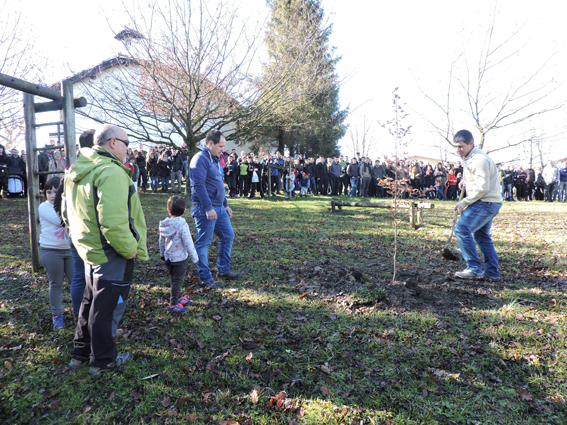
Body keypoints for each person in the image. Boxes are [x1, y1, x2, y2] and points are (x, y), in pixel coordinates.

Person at [66, 123, 148, 375]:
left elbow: (66, 210)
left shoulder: (79, 168)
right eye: (126, 143)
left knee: (90, 303)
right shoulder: (110, 171)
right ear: (113, 142)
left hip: (90, 249)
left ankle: (81, 354)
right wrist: (129, 248)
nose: (128, 149)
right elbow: (113, 222)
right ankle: (102, 360)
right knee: (106, 307)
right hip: (111, 252)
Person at [189, 129, 241, 289]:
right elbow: (198, 186)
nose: (223, 150)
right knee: (204, 243)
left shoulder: (216, 160)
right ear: (210, 143)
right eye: (220, 146)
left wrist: (225, 205)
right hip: (205, 209)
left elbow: (218, 184)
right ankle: (205, 278)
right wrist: (208, 207)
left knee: (228, 235)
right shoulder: (200, 159)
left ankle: (223, 270)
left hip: (219, 208)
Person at [452, 129, 503, 280]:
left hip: (485, 202)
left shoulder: (479, 160)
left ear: (471, 143)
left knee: (461, 229)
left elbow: (483, 188)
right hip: (489, 201)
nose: (458, 150)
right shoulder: (471, 157)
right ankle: (492, 272)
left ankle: (473, 268)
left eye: (461, 146)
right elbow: (479, 178)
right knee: (482, 236)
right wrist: (466, 181)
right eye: (456, 146)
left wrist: (463, 202)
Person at [39, 177, 74, 329]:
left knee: (77, 282)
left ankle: (81, 311)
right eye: (49, 192)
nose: (53, 195)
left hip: (70, 250)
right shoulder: (44, 207)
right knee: (56, 284)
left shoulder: (70, 204)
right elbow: (61, 220)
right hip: (51, 250)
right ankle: (57, 316)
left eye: (56, 191)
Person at [159, 196, 199, 313]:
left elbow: (161, 241)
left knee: (174, 279)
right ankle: (173, 304)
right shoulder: (182, 224)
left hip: (168, 257)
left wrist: (162, 254)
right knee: (178, 280)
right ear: (184, 210)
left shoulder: (165, 225)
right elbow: (188, 242)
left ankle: (179, 297)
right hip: (179, 259)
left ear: (168, 210)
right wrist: (194, 257)